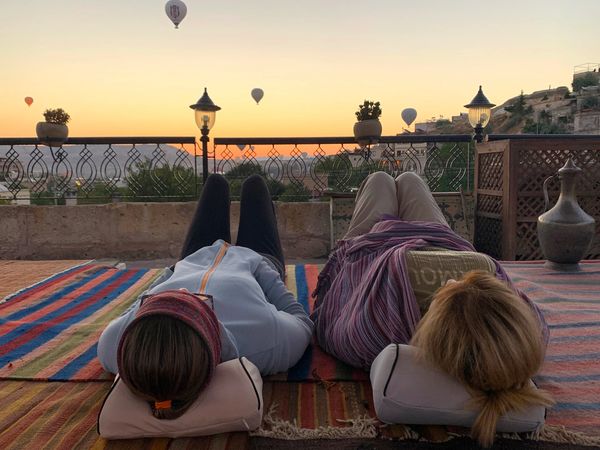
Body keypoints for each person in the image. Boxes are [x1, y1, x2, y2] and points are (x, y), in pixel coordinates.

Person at [311, 171, 552, 447]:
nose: (450, 280)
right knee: (410, 179)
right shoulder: (524, 335)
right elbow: (523, 314)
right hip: (440, 240)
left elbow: (331, 318)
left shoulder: (374, 331)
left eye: (449, 291)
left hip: (370, 248)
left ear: (438, 329)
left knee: (380, 180)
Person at [97, 174, 313, 419]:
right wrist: (262, 268)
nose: (183, 290)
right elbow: (301, 320)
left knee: (215, 183)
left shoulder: (115, 345)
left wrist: (171, 273)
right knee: (254, 185)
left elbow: (138, 303)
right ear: (214, 329)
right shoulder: (264, 339)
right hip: (257, 258)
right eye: (189, 301)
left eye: (166, 299)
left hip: (193, 257)